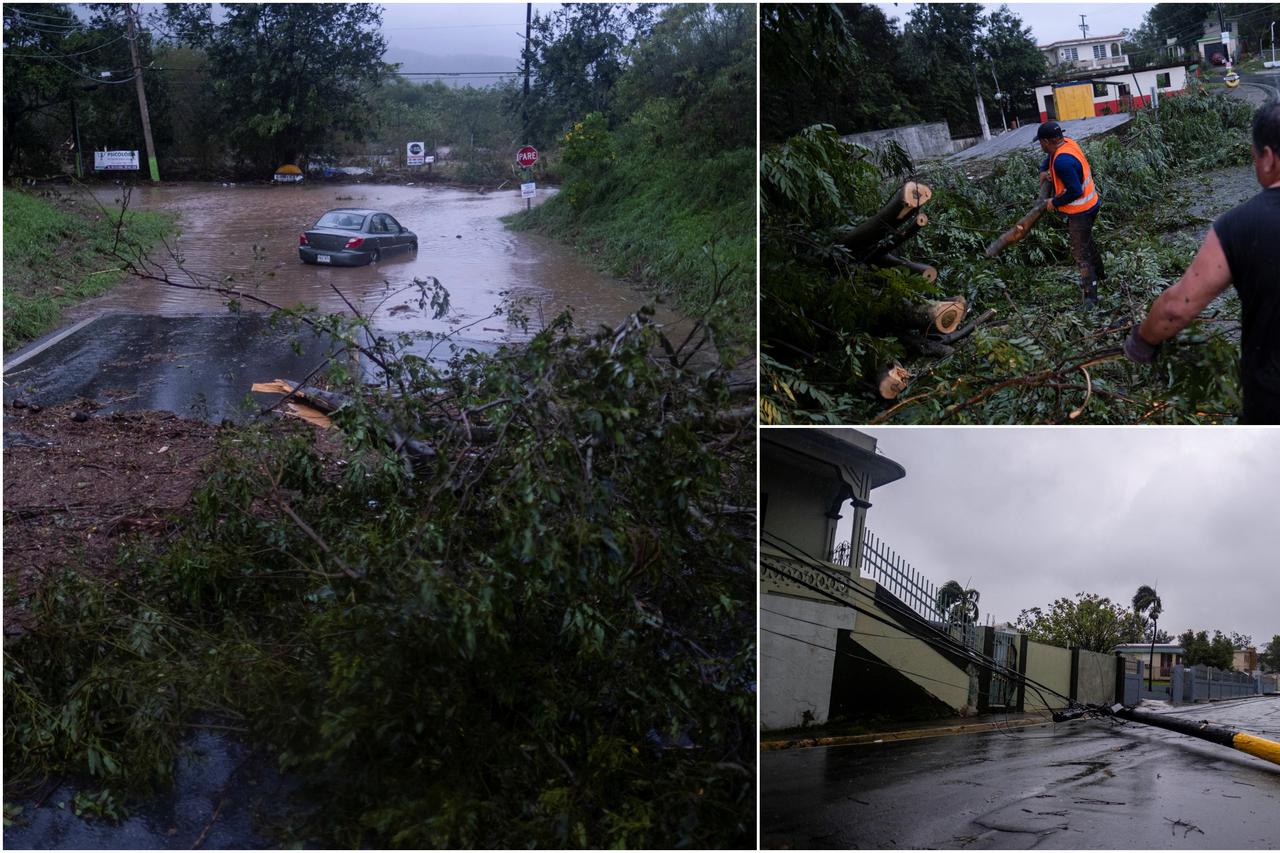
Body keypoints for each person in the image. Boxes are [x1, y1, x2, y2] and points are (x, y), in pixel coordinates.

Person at [1124, 101, 1280, 424]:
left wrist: (1142, 340)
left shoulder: (1240, 226)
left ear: (1268, 157)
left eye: (1253, 157)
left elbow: (1177, 307)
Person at [1037, 120, 1105, 308]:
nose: (1040, 146)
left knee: (1080, 254)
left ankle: (1091, 299)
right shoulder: (1066, 143)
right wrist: (1044, 171)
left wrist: (1054, 202)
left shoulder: (1062, 162)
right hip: (1092, 204)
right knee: (1087, 242)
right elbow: (1048, 159)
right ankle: (1101, 275)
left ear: (1046, 141)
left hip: (1080, 211)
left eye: (1040, 142)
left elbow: (1075, 191)